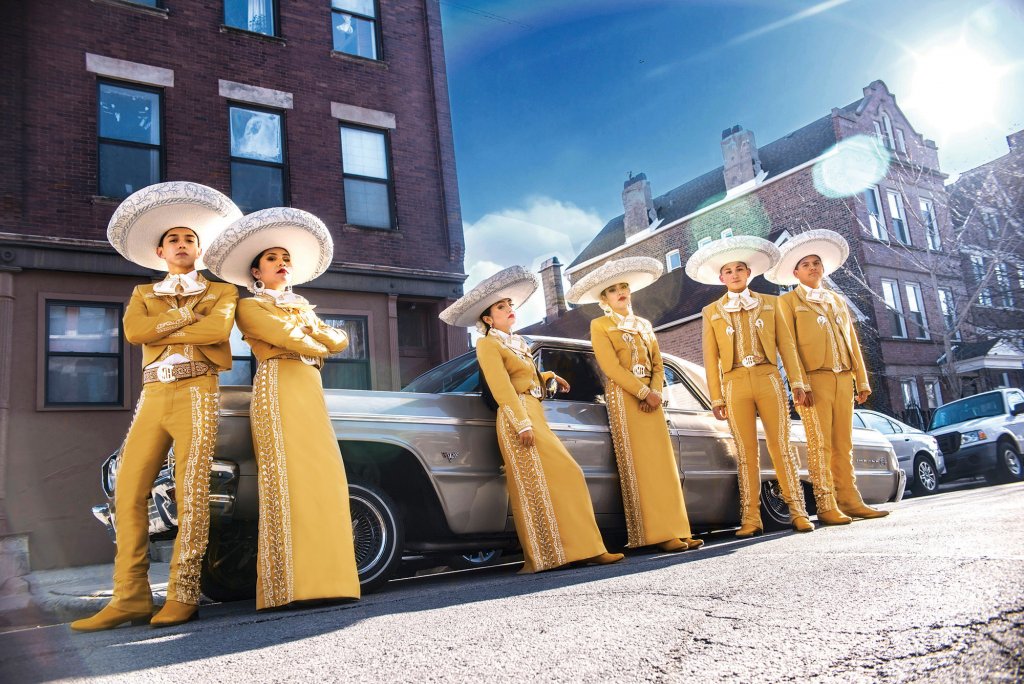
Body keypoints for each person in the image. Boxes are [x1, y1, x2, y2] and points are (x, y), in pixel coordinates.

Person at [72, 182, 241, 631]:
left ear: (199, 251)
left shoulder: (222, 293)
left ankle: (184, 595)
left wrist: (164, 327)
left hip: (198, 391)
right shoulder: (143, 293)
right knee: (127, 490)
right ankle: (129, 597)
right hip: (153, 394)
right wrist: (187, 316)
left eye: (190, 239)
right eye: (174, 240)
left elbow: (215, 333)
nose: (182, 245)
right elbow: (134, 333)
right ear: (160, 251)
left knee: (190, 494)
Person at [203, 207, 361, 609]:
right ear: (256, 272)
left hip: (310, 387)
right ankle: (288, 586)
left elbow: (340, 340)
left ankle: (332, 581)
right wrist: (312, 335)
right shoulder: (249, 307)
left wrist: (311, 332)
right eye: (272, 259)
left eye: (286, 259)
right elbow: (299, 341)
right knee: (289, 480)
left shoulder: (302, 305)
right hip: (278, 386)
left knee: (324, 478)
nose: (282, 264)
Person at [439, 266, 624, 572]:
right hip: (518, 418)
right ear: (487, 318)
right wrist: (521, 423)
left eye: (510, 305)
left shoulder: (518, 342)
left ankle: (584, 549)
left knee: (563, 479)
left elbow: (524, 377)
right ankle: (547, 556)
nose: (509, 309)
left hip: (534, 411)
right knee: (543, 483)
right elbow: (501, 388)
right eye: (501, 307)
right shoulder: (488, 344)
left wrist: (549, 375)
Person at [566, 257, 703, 553]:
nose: (621, 292)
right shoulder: (600, 325)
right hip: (625, 397)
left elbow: (657, 363)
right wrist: (643, 393)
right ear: (604, 299)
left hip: (652, 400)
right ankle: (656, 534)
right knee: (642, 466)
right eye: (613, 290)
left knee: (664, 465)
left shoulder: (644, 324)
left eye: (624, 287)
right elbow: (610, 368)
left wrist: (655, 392)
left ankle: (678, 529)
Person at [685, 235, 814, 537]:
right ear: (721, 277)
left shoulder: (771, 303)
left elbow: (787, 345)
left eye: (740, 269)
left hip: (768, 377)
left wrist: (797, 382)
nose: (734, 275)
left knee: (781, 446)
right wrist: (716, 398)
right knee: (744, 452)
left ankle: (798, 511)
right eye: (728, 271)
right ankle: (751, 518)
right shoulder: (711, 311)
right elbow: (710, 357)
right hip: (734, 383)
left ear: (749, 272)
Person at [765, 229, 889, 521]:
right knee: (819, 443)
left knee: (843, 442)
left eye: (816, 263)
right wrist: (798, 382)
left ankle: (850, 499)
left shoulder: (835, 300)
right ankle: (825, 504)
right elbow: (789, 346)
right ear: (795, 272)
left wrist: (862, 378)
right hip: (813, 380)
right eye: (806, 264)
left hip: (843, 377)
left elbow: (852, 341)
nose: (812, 268)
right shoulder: (787, 303)